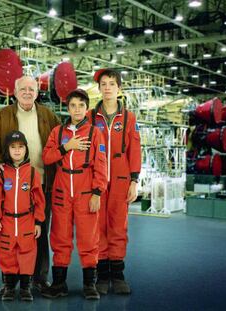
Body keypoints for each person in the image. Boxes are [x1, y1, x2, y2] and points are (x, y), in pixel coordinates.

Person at [0, 75, 60, 291]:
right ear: (15, 92)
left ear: (37, 92)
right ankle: (11, 279)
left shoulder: (48, 115)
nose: (27, 92)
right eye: (23, 89)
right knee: (9, 234)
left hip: (41, 185)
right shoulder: (3, 116)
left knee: (39, 231)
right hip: (11, 188)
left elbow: (59, 143)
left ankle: (39, 277)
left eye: (32, 89)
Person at [41, 89, 108, 300]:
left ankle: (90, 285)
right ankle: (59, 283)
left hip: (86, 189)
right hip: (61, 190)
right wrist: (66, 147)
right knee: (60, 237)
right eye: (73, 105)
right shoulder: (58, 133)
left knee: (88, 237)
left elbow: (101, 164)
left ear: (86, 108)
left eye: (81, 105)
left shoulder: (95, 133)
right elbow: (47, 157)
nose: (77, 109)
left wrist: (97, 192)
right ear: (67, 108)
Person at [87, 69, 141, 295]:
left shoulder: (128, 118)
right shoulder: (90, 117)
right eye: (104, 84)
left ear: (119, 88)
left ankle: (118, 274)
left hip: (120, 180)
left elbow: (135, 150)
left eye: (112, 83)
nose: (107, 87)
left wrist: (134, 180)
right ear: (99, 88)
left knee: (118, 226)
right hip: (96, 182)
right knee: (97, 227)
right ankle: (102, 274)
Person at [0, 130, 46, 301]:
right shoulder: (2, 173)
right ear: (7, 150)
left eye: (20, 147)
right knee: (7, 253)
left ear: (26, 150)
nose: (16, 151)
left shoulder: (32, 173)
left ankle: (25, 287)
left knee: (27, 254)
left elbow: (39, 200)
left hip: (26, 221)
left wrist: (38, 222)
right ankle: (9, 287)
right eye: (13, 147)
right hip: (6, 220)